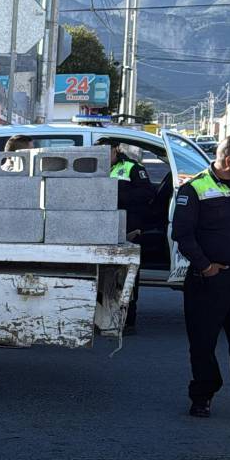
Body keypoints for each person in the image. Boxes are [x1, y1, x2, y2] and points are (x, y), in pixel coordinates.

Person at [171, 133, 230, 424]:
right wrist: (205, 267)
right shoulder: (194, 189)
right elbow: (182, 234)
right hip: (209, 282)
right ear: (229, 161)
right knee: (203, 344)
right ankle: (202, 397)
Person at [98, 137, 157, 334]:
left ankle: (127, 321)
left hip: (127, 229)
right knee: (100, 276)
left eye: (107, 152)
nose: (103, 156)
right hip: (100, 228)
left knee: (127, 277)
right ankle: (101, 319)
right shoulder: (91, 166)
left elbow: (147, 194)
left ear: (116, 150)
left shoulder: (132, 168)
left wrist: (114, 194)